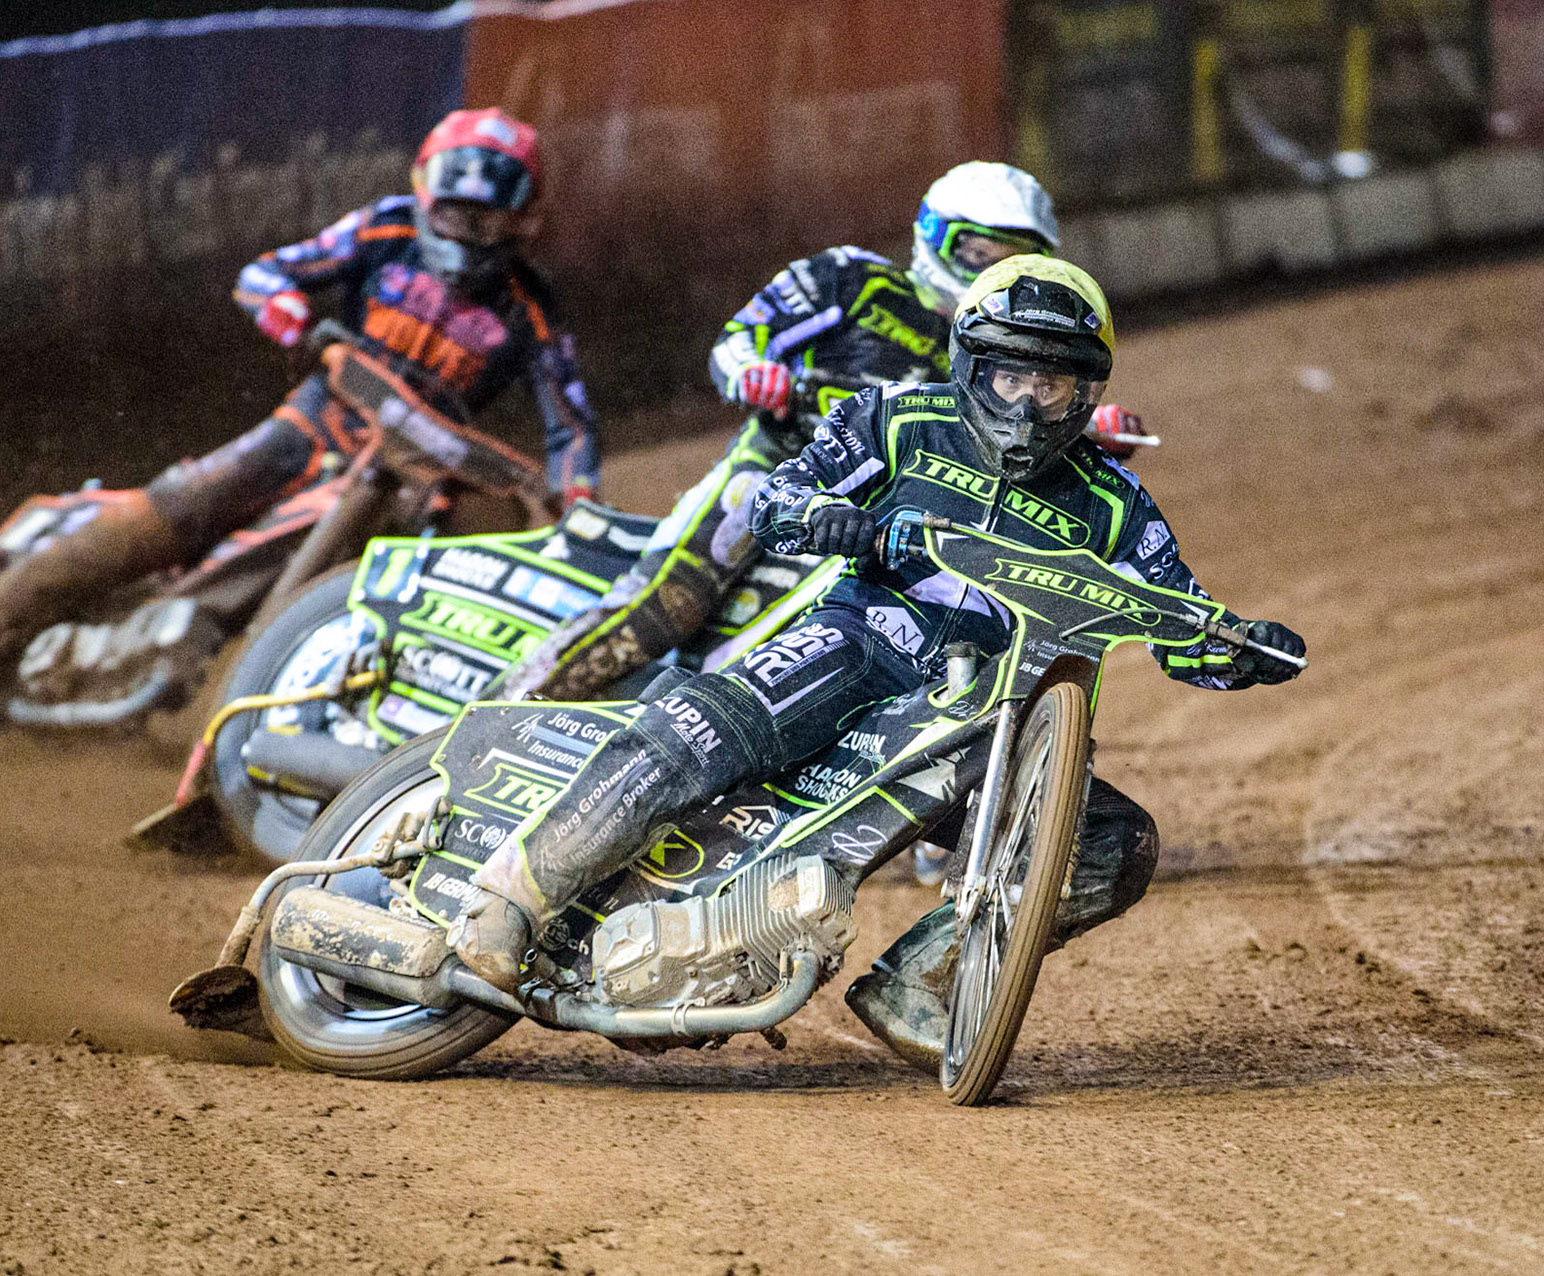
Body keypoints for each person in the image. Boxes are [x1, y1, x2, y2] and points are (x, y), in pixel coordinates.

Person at [448, 256, 1307, 1071]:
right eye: (1013, 377)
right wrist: (830, 520)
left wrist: (1242, 651)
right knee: (706, 722)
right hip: (864, 641)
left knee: (1116, 842)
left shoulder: (1119, 508)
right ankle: (510, 897)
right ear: (972, 365)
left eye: (1054, 385)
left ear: (1087, 393)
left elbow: (1179, 621)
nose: (1029, 406)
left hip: (989, 714)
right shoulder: (898, 418)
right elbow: (779, 497)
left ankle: (918, 985)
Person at [0, 108, 600, 693]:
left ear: (521, 223)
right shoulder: (383, 230)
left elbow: (570, 424)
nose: (467, 235)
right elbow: (266, 273)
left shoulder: (531, 309)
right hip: (309, 426)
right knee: (182, 502)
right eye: (454, 213)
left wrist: (582, 509)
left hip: (405, 476)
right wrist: (291, 313)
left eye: (487, 222)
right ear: (424, 197)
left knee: (369, 588)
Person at [499, 161, 1145, 706]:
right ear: (935, 237)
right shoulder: (851, 279)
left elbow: (1024, 421)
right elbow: (738, 338)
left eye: (1015, 258)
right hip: (779, 471)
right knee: (667, 605)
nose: (992, 268)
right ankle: (507, 709)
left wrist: (1081, 428)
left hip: (890, 513)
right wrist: (753, 373)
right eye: (980, 252)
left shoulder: (1003, 348)